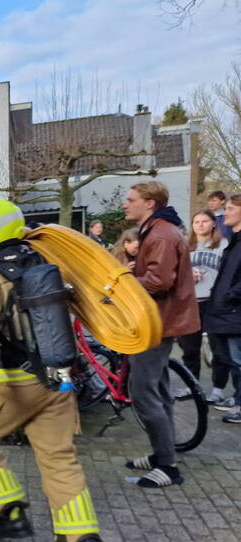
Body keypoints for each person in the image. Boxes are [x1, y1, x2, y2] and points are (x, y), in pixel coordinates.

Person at [0, 199, 107, 542]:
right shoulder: (45, 264)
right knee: (59, 458)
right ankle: (81, 541)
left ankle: (9, 514)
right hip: (58, 380)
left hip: (12, 382)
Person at [122, 181, 200, 487]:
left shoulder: (161, 234)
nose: (126, 204)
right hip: (159, 321)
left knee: (143, 392)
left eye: (131, 199)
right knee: (159, 389)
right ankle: (161, 454)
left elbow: (158, 281)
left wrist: (125, 281)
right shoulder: (159, 230)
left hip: (157, 324)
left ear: (149, 203)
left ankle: (168, 467)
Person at [177, 211, 234, 408]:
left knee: (219, 348)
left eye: (204, 221)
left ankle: (218, 389)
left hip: (214, 303)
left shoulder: (224, 245)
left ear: (213, 224)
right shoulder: (185, 246)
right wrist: (187, 274)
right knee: (189, 347)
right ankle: (191, 385)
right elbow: (174, 273)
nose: (200, 225)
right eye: (196, 222)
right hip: (190, 302)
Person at [205, 194, 241, 424]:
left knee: (238, 360)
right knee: (230, 359)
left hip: (234, 312)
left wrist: (230, 296)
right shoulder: (234, 242)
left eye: (229, 208)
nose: (224, 213)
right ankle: (237, 398)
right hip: (225, 312)